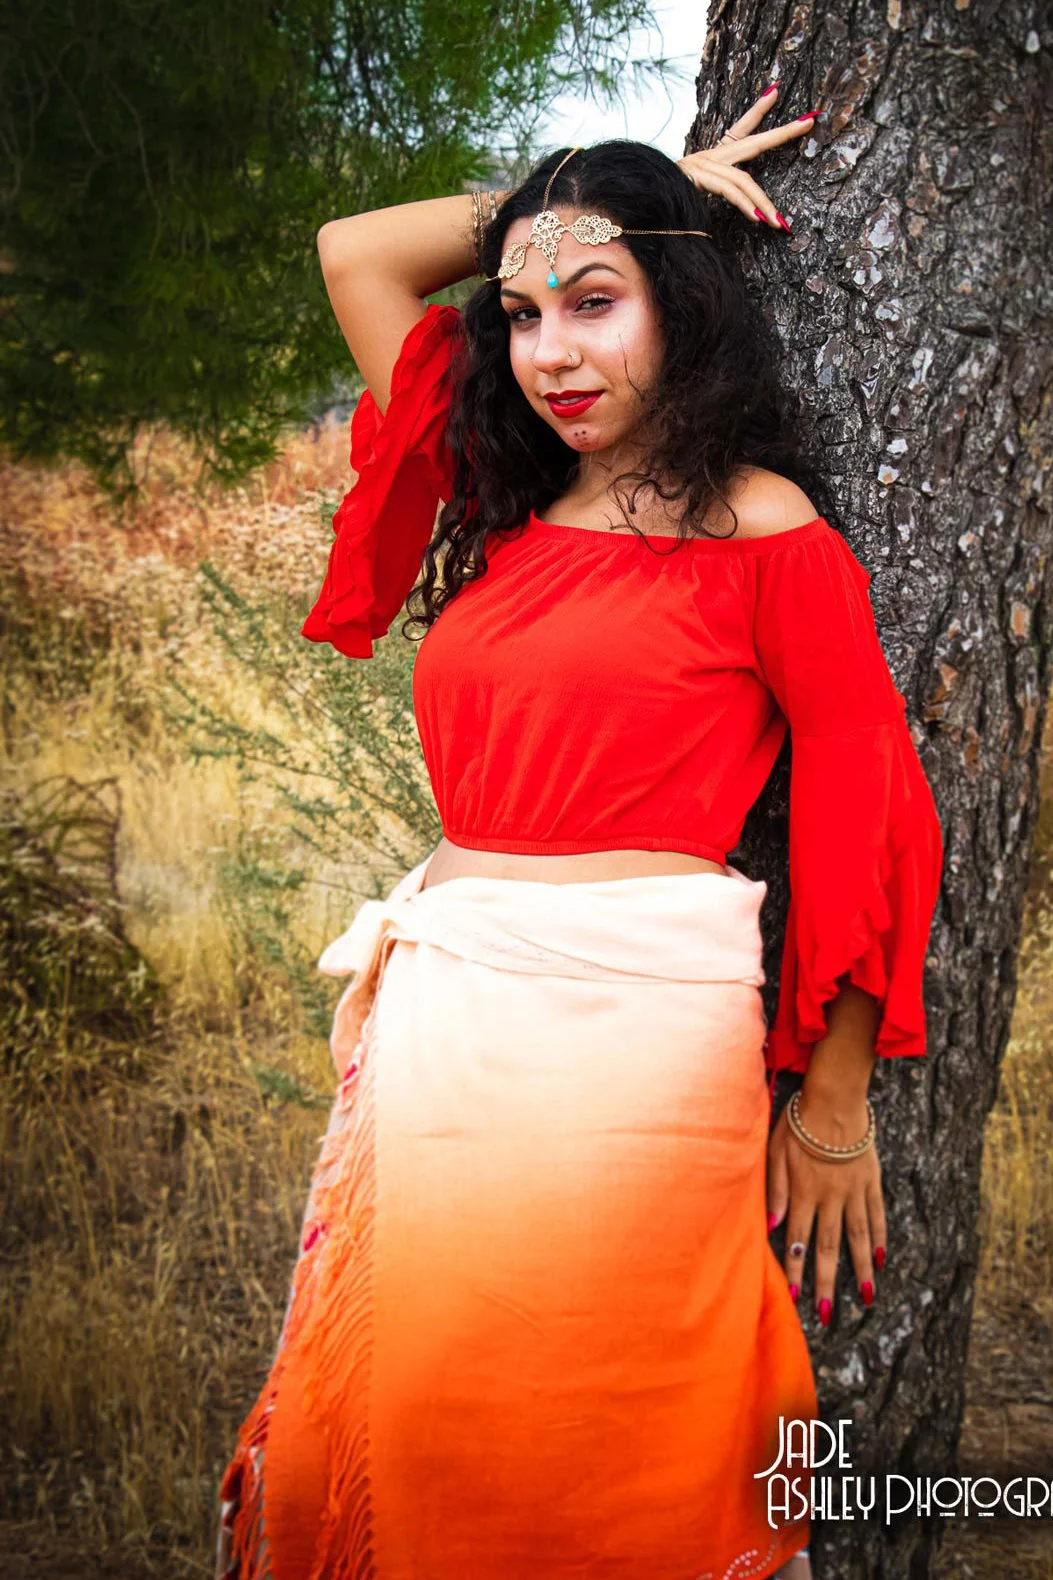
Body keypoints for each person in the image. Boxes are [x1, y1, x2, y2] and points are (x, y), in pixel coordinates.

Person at [214, 81, 944, 1580]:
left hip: (635, 1048)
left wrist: (835, 1101)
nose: (552, 351)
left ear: (680, 299)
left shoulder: (766, 530)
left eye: (597, 301)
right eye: (525, 314)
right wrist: (606, 191)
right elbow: (357, 250)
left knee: (606, 1427)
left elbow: (876, 802)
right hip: (446, 1027)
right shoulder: (501, 501)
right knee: (425, 1406)